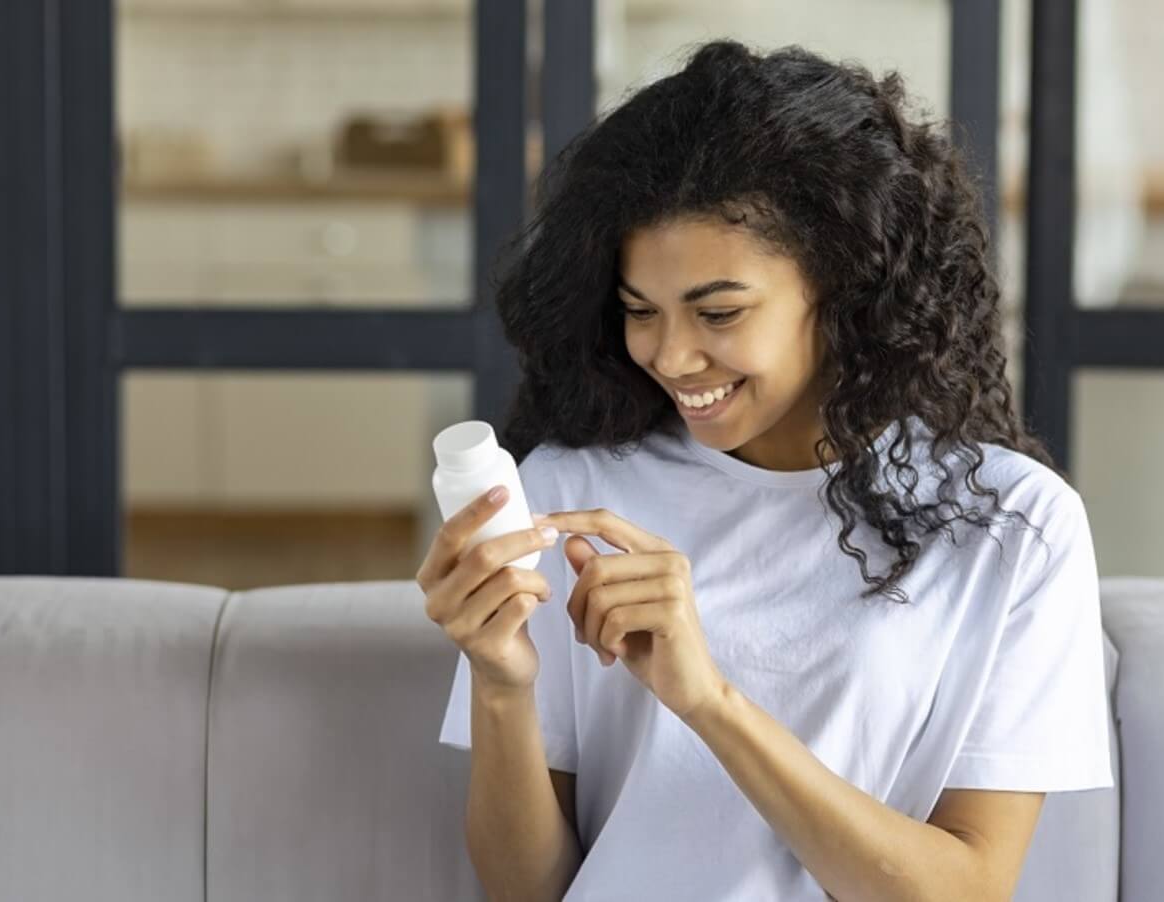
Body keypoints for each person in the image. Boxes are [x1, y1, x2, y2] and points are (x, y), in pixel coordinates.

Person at [421, 39, 1113, 902]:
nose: (670, 356)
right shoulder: (572, 494)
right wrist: (499, 683)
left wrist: (708, 698)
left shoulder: (1011, 523)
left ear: (846, 286)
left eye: (718, 311)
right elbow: (528, 891)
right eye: (641, 312)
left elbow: (965, 890)